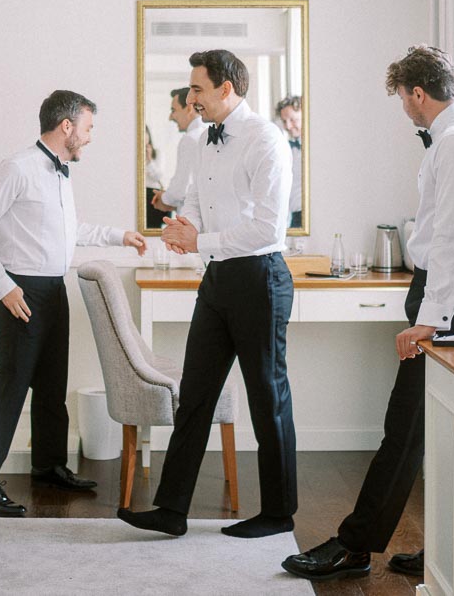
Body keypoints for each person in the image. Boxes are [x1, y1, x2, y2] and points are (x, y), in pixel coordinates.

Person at [282, 45, 454, 581]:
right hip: (449, 289)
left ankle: (354, 547)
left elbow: (449, 237)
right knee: (428, 428)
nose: (405, 109)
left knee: (403, 428)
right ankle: (442, 549)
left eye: (404, 99)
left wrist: (431, 319)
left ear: (418, 94)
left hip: (453, 298)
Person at [119, 49, 296, 540]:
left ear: (226, 88)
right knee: (195, 394)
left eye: (197, 89)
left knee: (268, 397)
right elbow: (195, 198)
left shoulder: (266, 139)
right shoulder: (201, 142)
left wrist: (200, 241)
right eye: (191, 90)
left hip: (261, 277)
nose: (190, 98)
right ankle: (171, 509)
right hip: (217, 278)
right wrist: (183, 228)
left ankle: (279, 514)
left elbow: (267, 227)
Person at [0, 90, 147, 517]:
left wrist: (121, 235)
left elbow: (70, 230)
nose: (90, 137)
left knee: (50, 387)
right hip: (20, 292)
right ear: (67, 127)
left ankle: (48, 466)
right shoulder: (16, 168)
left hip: (53, 289)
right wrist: (3, 286)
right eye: (88, 127)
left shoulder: (60, 173)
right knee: (11, 387)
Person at [150, 86, 206, 220]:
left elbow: (180, 190)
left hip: (192, 222)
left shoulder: (191, 138)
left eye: (173, 110)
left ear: (189, 108)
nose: (170, 117)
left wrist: (163, 199)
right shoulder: (209, 132)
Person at [276, 95, 303, 228]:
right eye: (284, 121)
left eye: (293, 119)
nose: (288, 126)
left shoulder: (317, 149)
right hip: (294, 217)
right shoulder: (286, 149)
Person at [143, 124, 167, 228]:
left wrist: (149, 160)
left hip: (152, 194)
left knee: (153, 226)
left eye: (145, 132)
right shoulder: (133, 153)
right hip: (140, 193)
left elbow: (158, 176)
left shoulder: (157, 153)